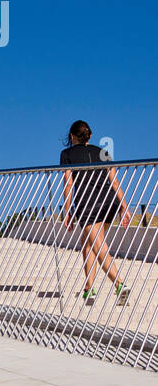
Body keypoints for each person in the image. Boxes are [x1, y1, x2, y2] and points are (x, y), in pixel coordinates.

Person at [61, 120, 132, 306]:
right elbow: (114, 181)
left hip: (88, 205)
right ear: (90, 136)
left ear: (71, 136)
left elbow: (68, 183)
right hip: (109, 202)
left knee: (98, 245)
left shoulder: (67, 154)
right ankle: (89, 289)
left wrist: (67, 210)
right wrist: (124, 206)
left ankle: (119, 284)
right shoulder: (103, 152)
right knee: (88, 244)